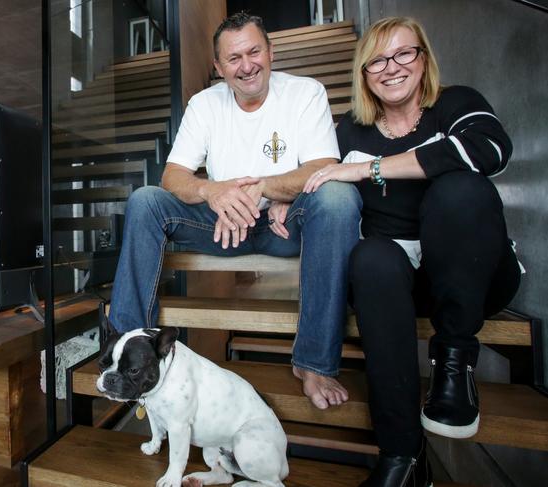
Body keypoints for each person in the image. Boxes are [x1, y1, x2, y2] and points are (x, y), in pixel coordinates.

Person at [304, 16, 521, 487]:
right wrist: (287, 204)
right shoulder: (350, 131)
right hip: (400, 286)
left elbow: (492, 150)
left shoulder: (456, 102)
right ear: (363, 74)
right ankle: (401, 457)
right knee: (370, 258)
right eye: (376, 60)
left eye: (404, 53)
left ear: (423, 58)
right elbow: (320, 187)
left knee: (458, 190)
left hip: (475, 275)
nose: (391, 68)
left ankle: (455, 363)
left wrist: (369, 170)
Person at [108, 12, 362, 410]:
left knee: (337, 198)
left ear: (271, 51)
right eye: (233, 58)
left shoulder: (305, 92)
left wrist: (270, 190)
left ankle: (314, 362)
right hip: (222, 226)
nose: (247, 66)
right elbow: (173, 176)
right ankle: (127, 349)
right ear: (218, 67)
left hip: (284, 225)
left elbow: (323, 167)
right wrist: (212, 191)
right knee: (145, 200)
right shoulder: (204, 104)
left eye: (254, 51)